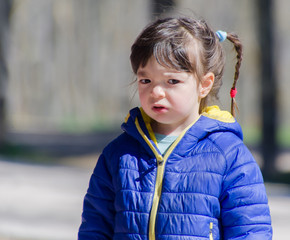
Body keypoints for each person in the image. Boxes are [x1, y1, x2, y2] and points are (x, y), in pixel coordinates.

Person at [78, 16, 272, 240]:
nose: (156, 92)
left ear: (204, 84)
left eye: (172, 81)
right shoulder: (119, 154)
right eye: (146, 81)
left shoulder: (228, 154)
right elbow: (95, 227)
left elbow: (250, 231)